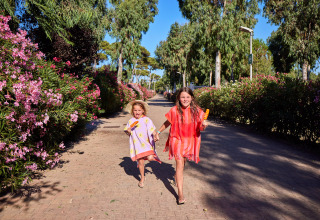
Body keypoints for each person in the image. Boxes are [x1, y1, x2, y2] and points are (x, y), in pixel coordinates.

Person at [155, 87, 208, 205]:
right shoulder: (174, 110)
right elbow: (168, 122)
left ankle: (175, 176)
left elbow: (200, 128)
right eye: (183, 97)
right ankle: (180, 193)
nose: (185, 99)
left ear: (192, 98)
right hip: (176, 139)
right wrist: (158, 132)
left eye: (187, 97)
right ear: (179, 98)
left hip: (190, 141)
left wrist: (204, 125)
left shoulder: (198, 111)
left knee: (183, 162)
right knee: (179, 164)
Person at [124, 100, 161, 188]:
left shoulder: (146, 120)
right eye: (135, 110)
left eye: (139, 110)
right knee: (140, 162)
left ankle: (153, 157)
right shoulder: (131, 121)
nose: (137, 112)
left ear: (143, 110)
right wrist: (128, 131)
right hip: (138, 146)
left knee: (150, 157)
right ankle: (142, 177)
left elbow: (152, 130)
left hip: (147, 144)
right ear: (132, 111)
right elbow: (127, 132)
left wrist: (156, 135)